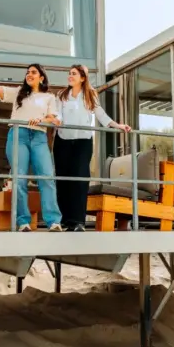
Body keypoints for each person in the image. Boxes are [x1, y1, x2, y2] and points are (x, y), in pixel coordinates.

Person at [0, 64, 64, 232]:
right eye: (27, 72)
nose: (29, 74)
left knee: (47, 177)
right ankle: (23, 221)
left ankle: (53, 221)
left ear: (42, 77)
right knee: (19, 179)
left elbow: (54, 119)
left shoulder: (49, 97)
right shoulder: (19, 93)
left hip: (39, 137)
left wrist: (40, 119)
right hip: (18, 135)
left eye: (33, 72)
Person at [54, 65, 131, 232]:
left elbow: (101, 114)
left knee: (80, 179)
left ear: (82, 78)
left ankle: (78, 221)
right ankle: (66, 220)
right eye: (69, 74)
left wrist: (116, 125)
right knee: (63, 180)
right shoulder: (61, 95)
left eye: (73, 74)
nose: (70, 76)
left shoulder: (90, 94)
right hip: (63, 140)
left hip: (83, 141)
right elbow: (58, 114)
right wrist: (55, 120)